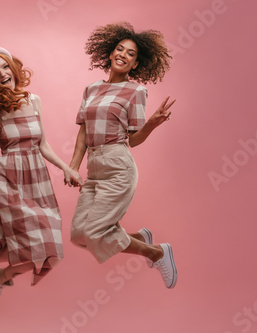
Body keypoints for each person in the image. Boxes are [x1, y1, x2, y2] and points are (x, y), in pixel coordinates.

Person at [0, 47, 82, 309]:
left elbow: (42, 145)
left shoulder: (34, 100)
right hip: (8, 178)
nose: (2, 74)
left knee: (50, 248)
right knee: (25, 242)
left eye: (5, 67)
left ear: (13, 68)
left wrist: (66, 168)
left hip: (37, 178)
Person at [68, 22, 178, 288]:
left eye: (130, 54)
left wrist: (152, 123)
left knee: (94, 231)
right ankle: (140, 237)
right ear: (109, 53)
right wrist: (73, 167)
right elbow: (83, 133)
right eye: (120, 49)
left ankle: (158, 252)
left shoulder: (136, 91)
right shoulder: (90, 89)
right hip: (94, 167)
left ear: (135, 64)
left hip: (118, 165)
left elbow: (134, 140)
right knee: (78, 235)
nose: (123, 55)